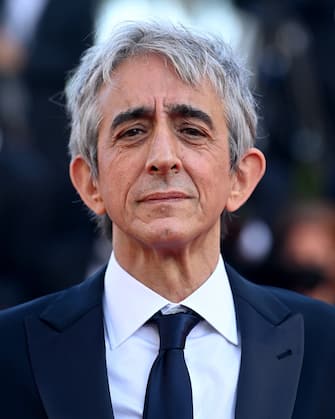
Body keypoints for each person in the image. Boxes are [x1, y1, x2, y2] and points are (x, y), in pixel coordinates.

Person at [1, 20, 335, 419]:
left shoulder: (326, 345)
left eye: (191, 130)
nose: (163, 157)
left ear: (240, 178)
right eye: (133, 132)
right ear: (89, 181)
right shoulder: (8, 352)